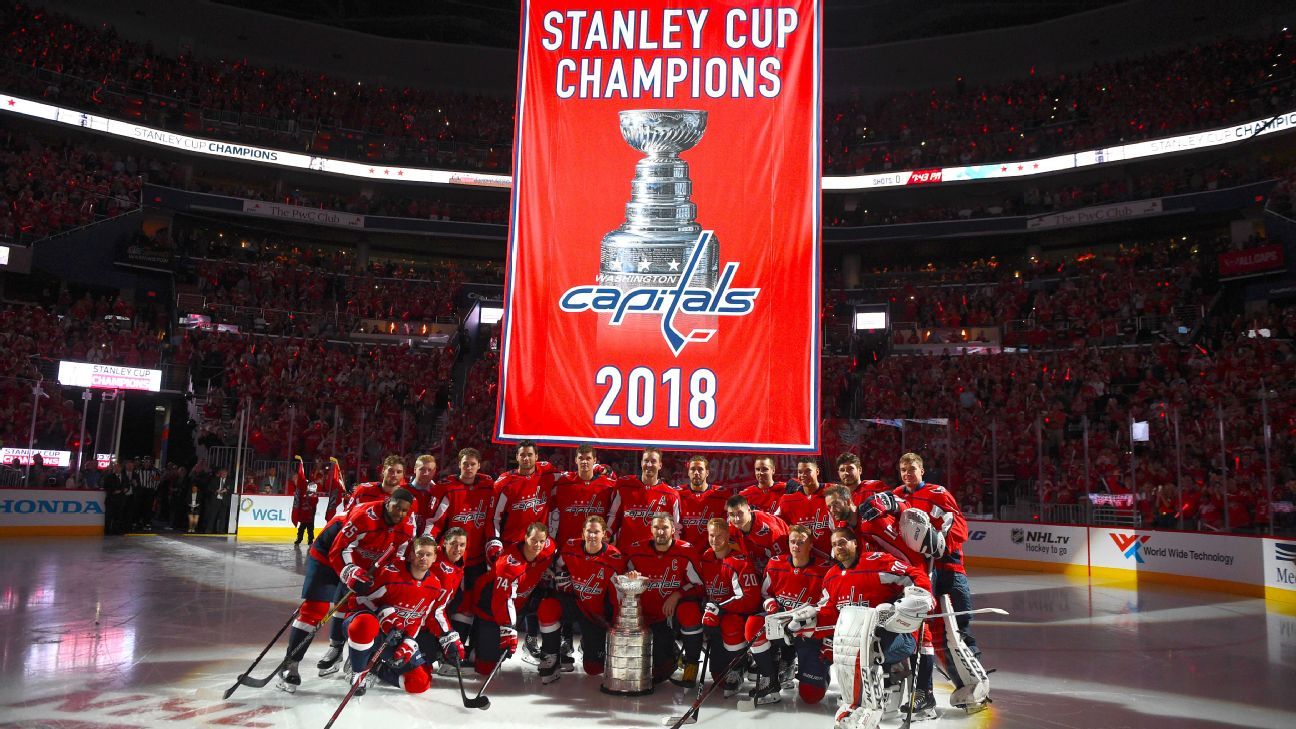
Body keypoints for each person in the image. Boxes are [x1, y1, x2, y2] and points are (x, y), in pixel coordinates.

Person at [867, 452, 988, 714]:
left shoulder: (938, 493)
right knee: (923, 629)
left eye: (911, 469)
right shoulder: (897, 495)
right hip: (920, 573)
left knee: (958, 630)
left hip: (949, 570)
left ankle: (975, 688)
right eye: (902, 469)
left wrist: (940, 543)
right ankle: (924, 691)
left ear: (922, 471)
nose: (907, 474)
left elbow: (960, 529)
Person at [787, 526, 933, 729]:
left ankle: (866, 709)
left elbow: (915, 575)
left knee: (864, 651)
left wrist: (922, 595)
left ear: (855, 543)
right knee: (848, 649)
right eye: (834, 545)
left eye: (842, 542)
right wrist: (807, 623)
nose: (838, 547)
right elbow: (830, 613)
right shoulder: (831, 577)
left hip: (899, 636)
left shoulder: (878, 562)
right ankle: (856, 705)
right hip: (857, 640)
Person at [277, 488, 416, 692]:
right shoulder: (364, 516)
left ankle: (347, 657)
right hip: (327, 555)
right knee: (314, 610)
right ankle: (291, 663)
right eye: (397, 507)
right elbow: (339, 549)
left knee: (358, 608)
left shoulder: (407, 526)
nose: (400, 514)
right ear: (388, 502)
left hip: (361, 563)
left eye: (405, 511)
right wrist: (351, 572)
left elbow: (398, 559)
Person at [342, 536, 446, 696]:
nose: (423, 558)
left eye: (428, 554)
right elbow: (358, 600)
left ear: (434, 558)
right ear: (411, 555)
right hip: (371, 629)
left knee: (419, 684)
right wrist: (382, 613)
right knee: (364, 623)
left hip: (396, 635)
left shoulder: (435, 586)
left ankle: (376, 667)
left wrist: (409, 639)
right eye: (419, 554)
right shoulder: (390, 573)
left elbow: (419, 618)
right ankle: (358, 670)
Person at [743, 524, 832, 708]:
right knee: (753, 625)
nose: (795, 546)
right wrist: (771, 605)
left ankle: (812, 668)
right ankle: (770, 679)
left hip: (808, 630)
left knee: (811, 696)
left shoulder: (825, 570)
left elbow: (830, 605)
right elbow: (766, 594)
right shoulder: (776, 564)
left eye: (801, 542)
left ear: (810, 544)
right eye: (792, 541)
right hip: (782, 625)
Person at [470, 522, 560, 681]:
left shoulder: (549, 547)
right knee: (486, 666)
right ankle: (474, 650)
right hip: (491, 604)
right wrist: (508, 630)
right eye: (533, 540)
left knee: (549, 605)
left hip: (522, 600)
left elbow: (556, 555)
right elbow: (502, 600)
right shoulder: (508, 565)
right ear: (525, 538)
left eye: (541, 541)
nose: (538, 545)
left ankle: (550, 656)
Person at [427, 448, 496, 647]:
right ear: (459, 464)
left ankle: (465, 645)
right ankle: (443, 645)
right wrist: (428, 542)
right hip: (452, 558)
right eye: (465, 464)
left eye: (473, 464)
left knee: (472, 603)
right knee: (449, 602)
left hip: (477, 559)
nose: (468, 468)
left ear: (479, 466)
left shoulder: (487, 486)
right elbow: (435, 522)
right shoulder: (448, 488)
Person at [623, 513, 704, 684]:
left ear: (673, 529)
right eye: (657, 528)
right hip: (648, 617)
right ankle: (672, 654)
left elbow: (700, 585)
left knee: (690, 611)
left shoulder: (686, 551)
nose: (661, 532)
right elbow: (622, 581)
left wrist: (678, 594)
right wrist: (630, 576)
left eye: (665, 527)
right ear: (651, 529)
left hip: (672, 615)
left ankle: (691, 664)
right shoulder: (636, 552)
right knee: (658, 672)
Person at [687, 518, 760, 695]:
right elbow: (700, 587)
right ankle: (689, 662)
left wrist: (719, 608)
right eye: (712, 535)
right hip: (715, 614)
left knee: (730, 623)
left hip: (736, 614)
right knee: (718, 676)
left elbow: (750, 598)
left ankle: (739, 664)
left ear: (728, 536)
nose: (715, 540)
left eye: (719, 536)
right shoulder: (706, 557)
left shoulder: (739, 561)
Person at [551, 515, 626, 675]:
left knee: (593, 670)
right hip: (575, 602)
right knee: (547, 607)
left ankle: (588, 642)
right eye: (588, 531)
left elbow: (617, 598)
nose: (592, 535)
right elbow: (559, 566)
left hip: (595, 615)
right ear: (583, 533)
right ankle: (552, 653)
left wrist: (612, 626)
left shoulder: (614, 558)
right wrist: (562, 579)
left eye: (596, 532)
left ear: (604, 534)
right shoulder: (571, 547)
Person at [488, 441, 558, 558]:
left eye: (530, 455)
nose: (526, 458)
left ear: (536, 456)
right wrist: (494, 541)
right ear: (516, 457)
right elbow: (493, 518)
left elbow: (571, 477)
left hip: (539, 546)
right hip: (512, 546)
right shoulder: (504, 483)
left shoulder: (547, 472)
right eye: (522, 455)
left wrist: (597, 467)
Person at [607, 448, 680, 547]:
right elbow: (613, 516)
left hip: (655, 554)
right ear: (641, 463)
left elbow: (676, 528)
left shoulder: (671, 494)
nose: (649, 465)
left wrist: (674, 550)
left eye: (653, 461)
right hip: (626, 551)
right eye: (646, 461)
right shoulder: (624, 486)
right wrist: (607, 534)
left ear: (660, 465)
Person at [775, 457, 835, 557]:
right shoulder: (787, 500)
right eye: (800, 472)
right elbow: (775, 526)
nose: (803, 475)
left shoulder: (833, 492)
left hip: (830, 560)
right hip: (802, 562)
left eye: (807, 471)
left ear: (817, 471)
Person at [675, 455, 731, 552]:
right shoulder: (677, 494)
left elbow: (730, 526)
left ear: (707, 472)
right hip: (685, 553)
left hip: (713, 554)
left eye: (700, 469)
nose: (696, 473)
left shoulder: (721, 494)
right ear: (688, 472)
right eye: (693, 469)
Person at [725, 494, 789, 573]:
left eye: (740, 513)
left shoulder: (770, 530)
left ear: (748, 509)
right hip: (755, 566)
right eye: (731, 514)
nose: (736, 519)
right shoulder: (730, 526)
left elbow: (784, 560)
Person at [202, 466, 232, 534]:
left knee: (223, 517)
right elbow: (209, 488)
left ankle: (221, 531)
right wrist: (216, 491)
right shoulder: (214, 480)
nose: (224, 475)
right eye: (223, 473)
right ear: (220, 473)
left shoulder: (230, 481)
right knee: (212, 516)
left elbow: (232, 490)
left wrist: (226, 490)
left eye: (225, 474)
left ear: (227, 474)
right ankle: (209, 530)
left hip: (224, 501)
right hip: (216, 500)